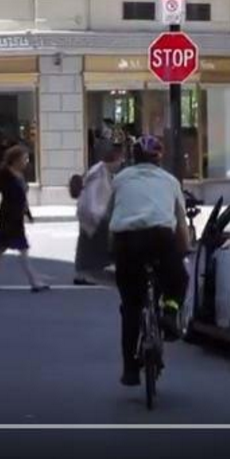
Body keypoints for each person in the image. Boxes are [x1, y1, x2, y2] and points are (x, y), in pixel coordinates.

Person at [109, 135, 190, 386]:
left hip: (127, 241)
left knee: (131, 306)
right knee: (179, 279)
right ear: (159, 158)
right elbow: (181, 222)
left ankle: (130, 370)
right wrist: (184, 249)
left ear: (134, 158)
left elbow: (112, 217)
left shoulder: (120, 179)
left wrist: (111, 252)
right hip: (160, 237)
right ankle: (169, 311)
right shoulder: (170, 181)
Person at [0, 144, 49, 293]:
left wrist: (28, 213)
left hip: (17, 217)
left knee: (1, 248)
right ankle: (34, 282)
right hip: (8, 217)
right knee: (22, 248)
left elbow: (23, 198)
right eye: (24, 158)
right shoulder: (5, 174)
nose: (27, 161)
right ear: (15, 160)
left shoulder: (20, 176)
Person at [74, 138, 124, 286]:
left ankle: (84, 273)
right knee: (90, 246)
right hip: (93, 214)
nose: (120, 164)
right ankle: (84, 274)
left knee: (87, 246)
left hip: (91, 213)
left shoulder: (102, 171)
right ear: (114, 160)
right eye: (120, 161)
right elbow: (95, 196)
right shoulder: (100, 172)